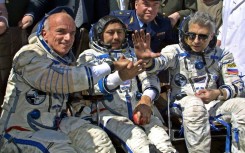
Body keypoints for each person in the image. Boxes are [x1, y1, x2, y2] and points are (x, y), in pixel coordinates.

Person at [0, 6, 139, 152]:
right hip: (22, 130)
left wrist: (121, 76)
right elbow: (64, 80)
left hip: (56, 123)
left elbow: (86, 88)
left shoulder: (67, 60)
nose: (68, 38)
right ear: (44, 33)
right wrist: (112, 65)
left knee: (100, 141)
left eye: (72, 33)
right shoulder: (29, 55)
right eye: (61, 31)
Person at [133, 11, 245, 152]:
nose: (196, 40)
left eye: (203, 36)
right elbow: (158, 63)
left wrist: (217, 93)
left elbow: (238, 86)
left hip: (214, 105)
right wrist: (148, 60)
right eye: (191, 35)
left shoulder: (222, 55)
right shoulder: (174, 51)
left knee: (243, 106)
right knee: (194, 104)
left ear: (211, 36)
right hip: (182, 105)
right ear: (184, 34)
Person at [77, 15, 177, 153]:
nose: (116, 37)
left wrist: (146, 99)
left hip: (140, 109)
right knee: (139, 141)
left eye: (120, 32)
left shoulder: (133, 53)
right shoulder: (89, 56)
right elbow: (91, 87)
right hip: (108, 114)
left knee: (164, 143)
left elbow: (150, 78)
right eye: (110, 33)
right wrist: (120, 76)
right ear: (99, 35)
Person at [217, 0, 245, 83]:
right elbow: (227, 23)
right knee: (232, 84)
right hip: (229, 58)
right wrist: (218, 41)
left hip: (242, 57)